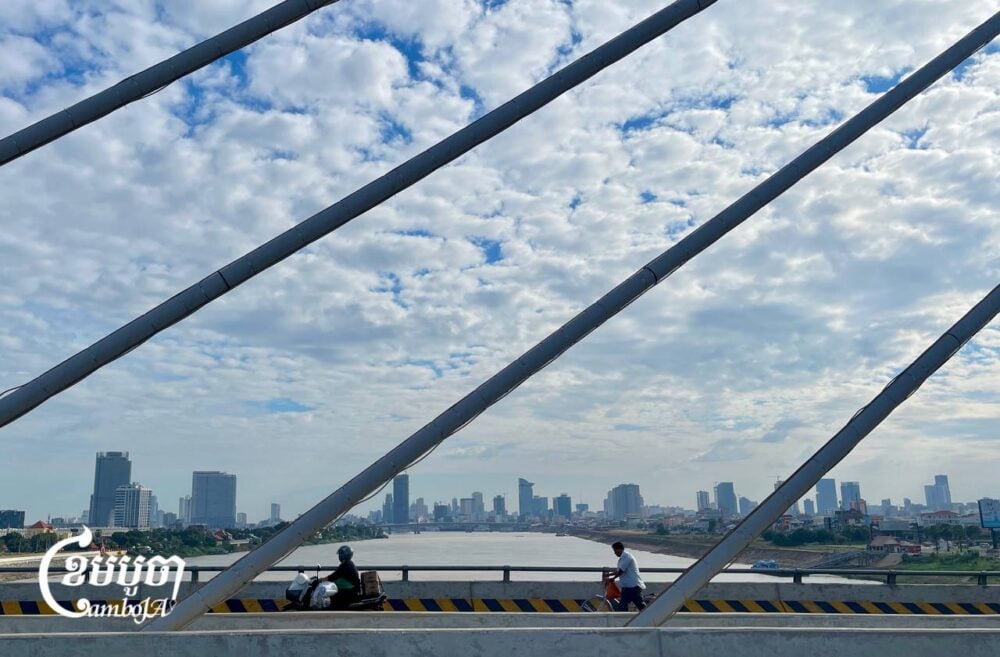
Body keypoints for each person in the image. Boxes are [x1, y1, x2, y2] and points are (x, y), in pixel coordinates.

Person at [610, 541, 646, 611]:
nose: (615, 553)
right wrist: (608, 575)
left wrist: (613, 578)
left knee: (637, 606)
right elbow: (618, 571)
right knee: (625, 606)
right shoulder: (623, 558)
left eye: (615, 551)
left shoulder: (627, 557)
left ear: (619, 549)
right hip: (627, 587)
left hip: (633, 586)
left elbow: (621, 571)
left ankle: (650, 615)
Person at [325, 545, 361, 610]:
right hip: (352, 590)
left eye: (340, 554)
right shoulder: (348, 563)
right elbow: (335, 575)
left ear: (344, 555)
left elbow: (333, 576)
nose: (339, 556)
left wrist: (320, 580)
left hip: (349, 592)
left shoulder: (345, 565)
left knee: (332, 595)